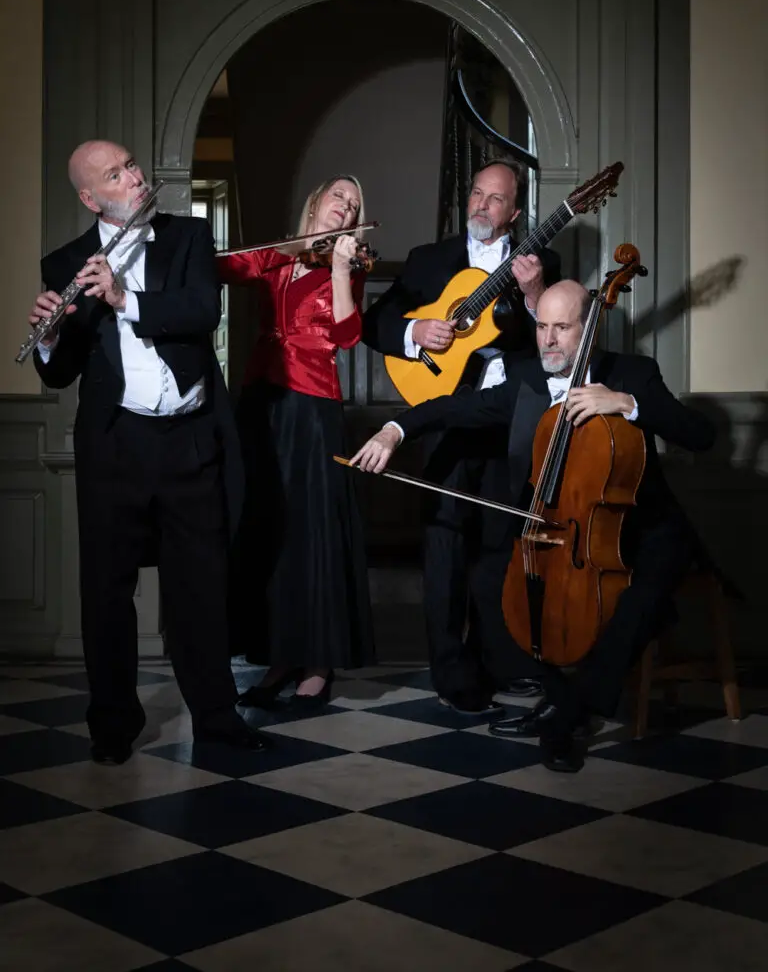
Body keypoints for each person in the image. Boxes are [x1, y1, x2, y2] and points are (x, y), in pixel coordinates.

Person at [351, 279, 717, 771]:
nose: (547, 339)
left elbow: (701, 434)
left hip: (645, 524)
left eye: (562, 328)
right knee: (488, 582)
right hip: (567, 529)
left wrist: (627, 404)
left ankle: (566, 716)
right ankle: (562, 693)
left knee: (641, 595)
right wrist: (394, 430)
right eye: (542, 326)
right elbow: (452, 408)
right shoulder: (526, 379)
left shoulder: (632, 372)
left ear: (589, 327)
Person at [28, 139, 268, 764]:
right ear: (90, 197)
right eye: (115, 174)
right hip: (115, 448)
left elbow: (200, 313)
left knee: (201, 585)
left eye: (131, 165)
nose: (134, 176)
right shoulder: (64, 262)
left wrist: (123, 299)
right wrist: (51, 338)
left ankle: (215, 716)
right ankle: (112, 725)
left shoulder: (187, 237)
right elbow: (60, 375)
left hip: (188, 439)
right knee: (108, 591)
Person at [361, 159, 559, 715]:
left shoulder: (541, 262)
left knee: (498, 545)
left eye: (495, 200)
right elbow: (375, 324)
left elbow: (551, 336)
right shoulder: (430, 260)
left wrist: (534, 290)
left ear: (515, 213)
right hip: (442, 412)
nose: (481, 205)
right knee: (445, 544)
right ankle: (451, 673)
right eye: (476, 193)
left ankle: (496, 659)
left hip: (507, 417)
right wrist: (414, 331)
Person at [219, 175, 375, 708]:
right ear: (315, 202)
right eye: (339, 196)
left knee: (312, 532)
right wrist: (287, 249)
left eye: (353, 205)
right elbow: (222, 266)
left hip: (312, 406)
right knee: (269, 529)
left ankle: (318, 663)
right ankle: (278, 655)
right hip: (261, 402)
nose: (346, 207)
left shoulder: (349, 265)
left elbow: (348, 335)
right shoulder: (278, 257)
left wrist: (335, 266)